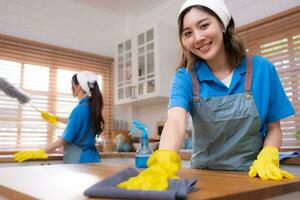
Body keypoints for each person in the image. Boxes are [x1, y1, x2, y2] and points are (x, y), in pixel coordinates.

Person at [118, 0, 295, 191]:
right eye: (188, 33)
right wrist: (163, 161)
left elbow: (274, 127)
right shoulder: (185, 76)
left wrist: (269, 155)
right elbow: (176, 121)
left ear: (222, 23)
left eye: (204, 25)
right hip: (203, 177)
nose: (197, 37)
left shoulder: (262, 69)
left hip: (252, 177)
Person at [14, 71, 104, 164]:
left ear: (78, 87)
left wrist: (40, 151)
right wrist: (54, 118)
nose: (71, 88)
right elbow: (76, 122)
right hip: (92, 158)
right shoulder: (89, 107)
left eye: (72, 84)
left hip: (80, 160)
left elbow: (63, 140)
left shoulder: (80, 109)